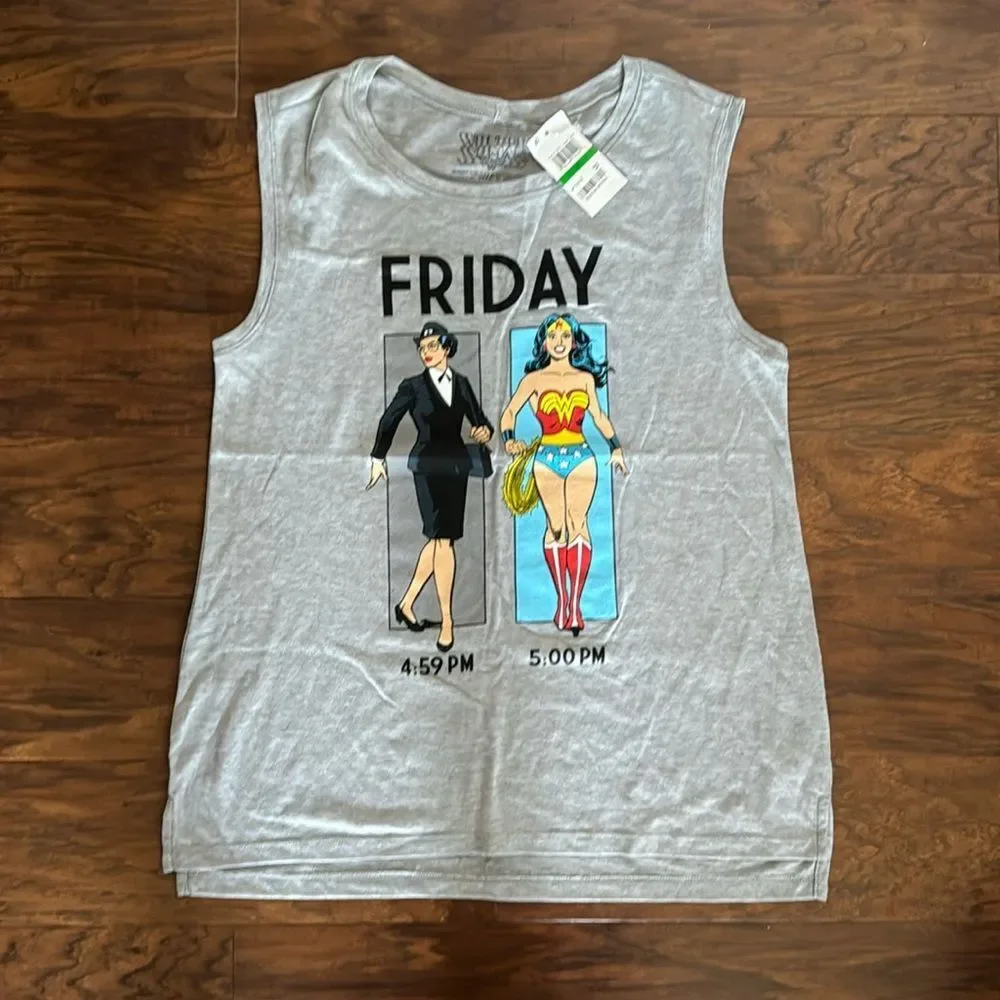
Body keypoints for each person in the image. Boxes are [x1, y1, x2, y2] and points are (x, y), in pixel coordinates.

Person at [367, 321, 493, 652]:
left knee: (439, 540)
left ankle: (407, 603)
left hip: (457, 468)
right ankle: (447, 621)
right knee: (443, 540)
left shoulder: (461, 383)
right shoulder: (412, 386)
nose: (426, 352)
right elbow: (388, 420)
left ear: (447, 348)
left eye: (433, 346)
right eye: (422, 348)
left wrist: (484, 432)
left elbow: (480, 420)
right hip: (426, 467)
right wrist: (378, 457)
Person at [500, 313, 627, 635]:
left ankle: (576, 605)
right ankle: (562, 600)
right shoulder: (533, 380)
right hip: (547, 457)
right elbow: (510, 412)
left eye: (565, 336)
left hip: (581, 456)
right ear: (544, 343)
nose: (559, 342)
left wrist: (615, 447)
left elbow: (599, 416)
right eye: (553, 336)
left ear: (574, 342)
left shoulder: (585, 379)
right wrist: (509, 440)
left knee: (578, 524)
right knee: (556, 527)